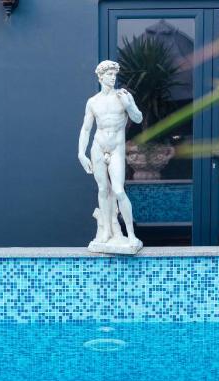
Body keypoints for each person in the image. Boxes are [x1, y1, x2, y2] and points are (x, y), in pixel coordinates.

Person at [78, 60, 143, 249]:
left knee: (119, 190)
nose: (113, 77)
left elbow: (138, 118)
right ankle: (106, 229)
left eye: (114, 74)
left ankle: (130, 234)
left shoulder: (123, 96)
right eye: (109, 74)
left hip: (116, 148)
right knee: (102, 190)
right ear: (100, 76)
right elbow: (86, 129)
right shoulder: (93, 102)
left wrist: (129, 105)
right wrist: (81, 154)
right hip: (98, 147)